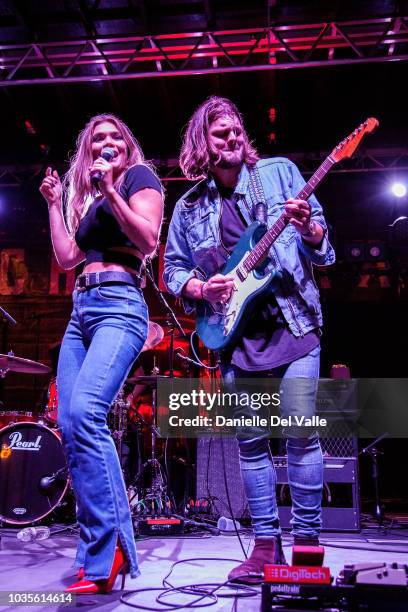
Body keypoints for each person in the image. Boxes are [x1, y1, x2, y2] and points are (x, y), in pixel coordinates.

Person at [163, 96, 335, 583]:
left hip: (295, 325)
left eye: (237, 129)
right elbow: (173, 270)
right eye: (221, 133)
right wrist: (200, 286)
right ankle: (264, 546)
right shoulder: (189, 207)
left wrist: (311, 230)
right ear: (203, 143)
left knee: (302, 436)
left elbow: (325, 250)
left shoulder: (279, 174)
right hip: (236, 337)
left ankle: (305, 544)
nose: (234, 137)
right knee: (252, 445)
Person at [39, 113, 163, 594]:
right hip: (80, 312)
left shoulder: (137, 179)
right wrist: (54, 204)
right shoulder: (84, 194)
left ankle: (109, 550)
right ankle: (99, 549)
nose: (106, 143)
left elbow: (148, 240)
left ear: (126, 146)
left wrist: (112, 189)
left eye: (115, 137)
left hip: (120, 306)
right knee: (70, 423)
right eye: (98, 139)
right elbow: (69, 258)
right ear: (86, 150)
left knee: (87, 412)